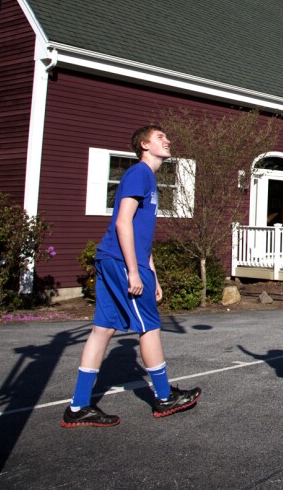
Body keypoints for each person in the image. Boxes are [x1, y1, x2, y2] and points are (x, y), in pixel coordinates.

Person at [61, 125, 201, 428]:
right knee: (149, 326)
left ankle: (78, 407)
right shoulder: (139, 173)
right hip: (122, 262)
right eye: (160, 138)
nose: (168, 140)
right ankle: (164, 397)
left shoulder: (148, 178)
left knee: (103, 329)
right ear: (144, 145)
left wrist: (153, 272)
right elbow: (123, 222)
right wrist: (135, 271)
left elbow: (141, 234)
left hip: (119, 259)